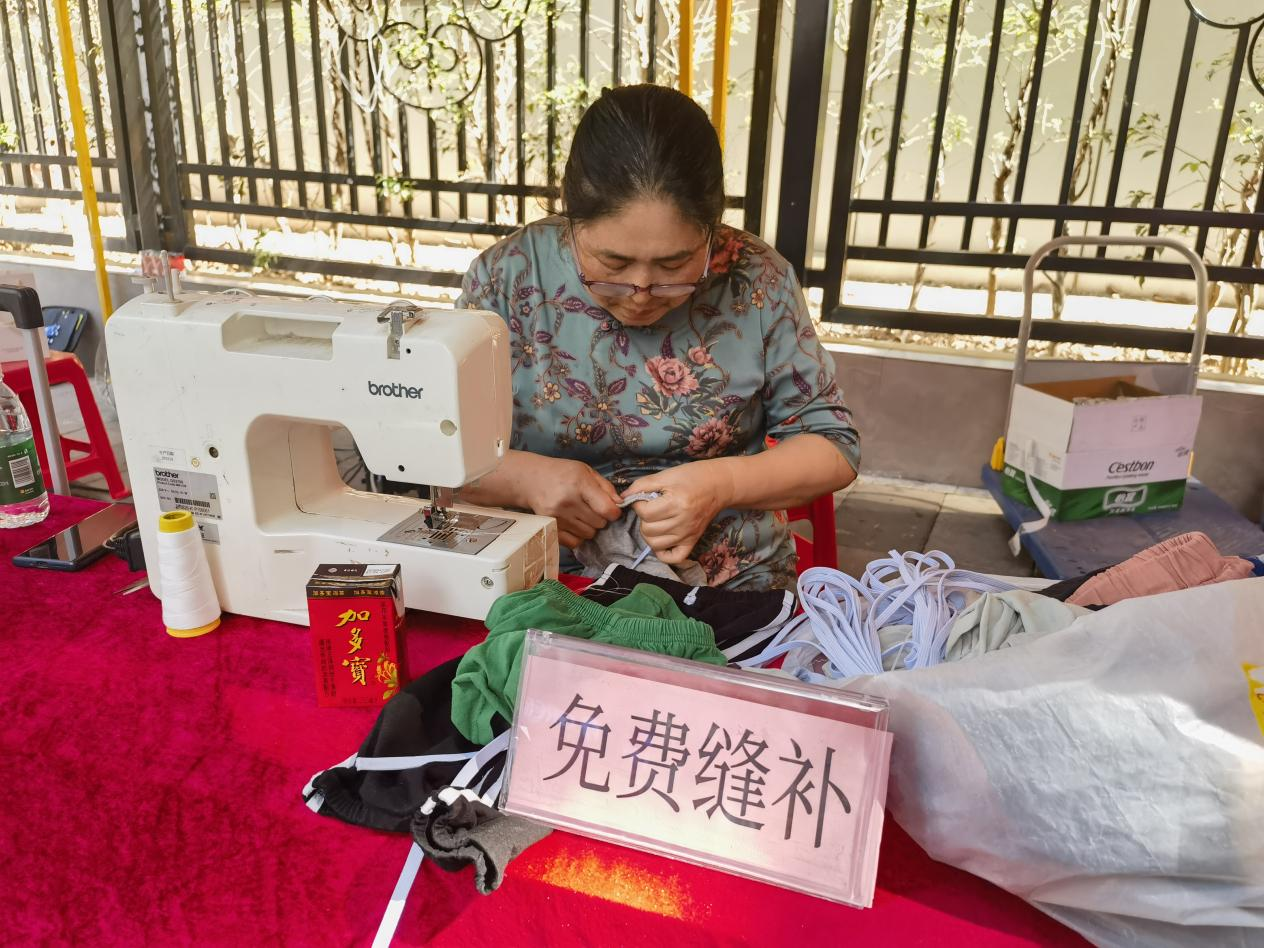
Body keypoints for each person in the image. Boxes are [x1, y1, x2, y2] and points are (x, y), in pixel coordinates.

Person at [457, 84, 859, 591]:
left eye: (674, 265)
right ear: (571, 221)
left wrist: (720, 484)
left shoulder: (757, 278)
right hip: (542, 575)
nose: (642, 291)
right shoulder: (509, 275)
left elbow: (833, 445)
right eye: (612, 263)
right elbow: (437, 446)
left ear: (711, 230)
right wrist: (524, 478)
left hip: (727, 582)